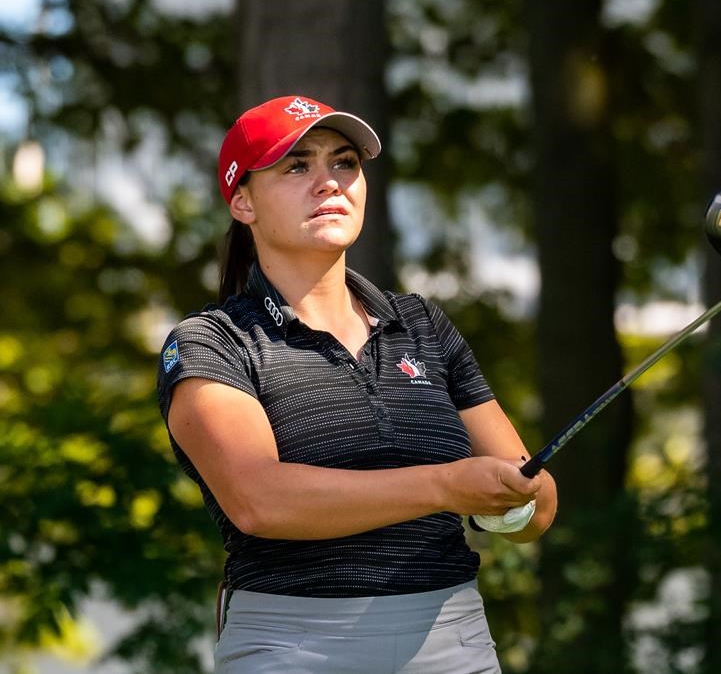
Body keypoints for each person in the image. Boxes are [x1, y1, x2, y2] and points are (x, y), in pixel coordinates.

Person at [156, 95, 557, 673]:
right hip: (292, 647)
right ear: (242, 201)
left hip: (453, 642)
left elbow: (536, 510)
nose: (329, 182)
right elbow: (258, 500)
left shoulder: (422, 324)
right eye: (297, 166)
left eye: (344, 163)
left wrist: (511, 503)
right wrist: (447, 486)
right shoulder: (209, 342)